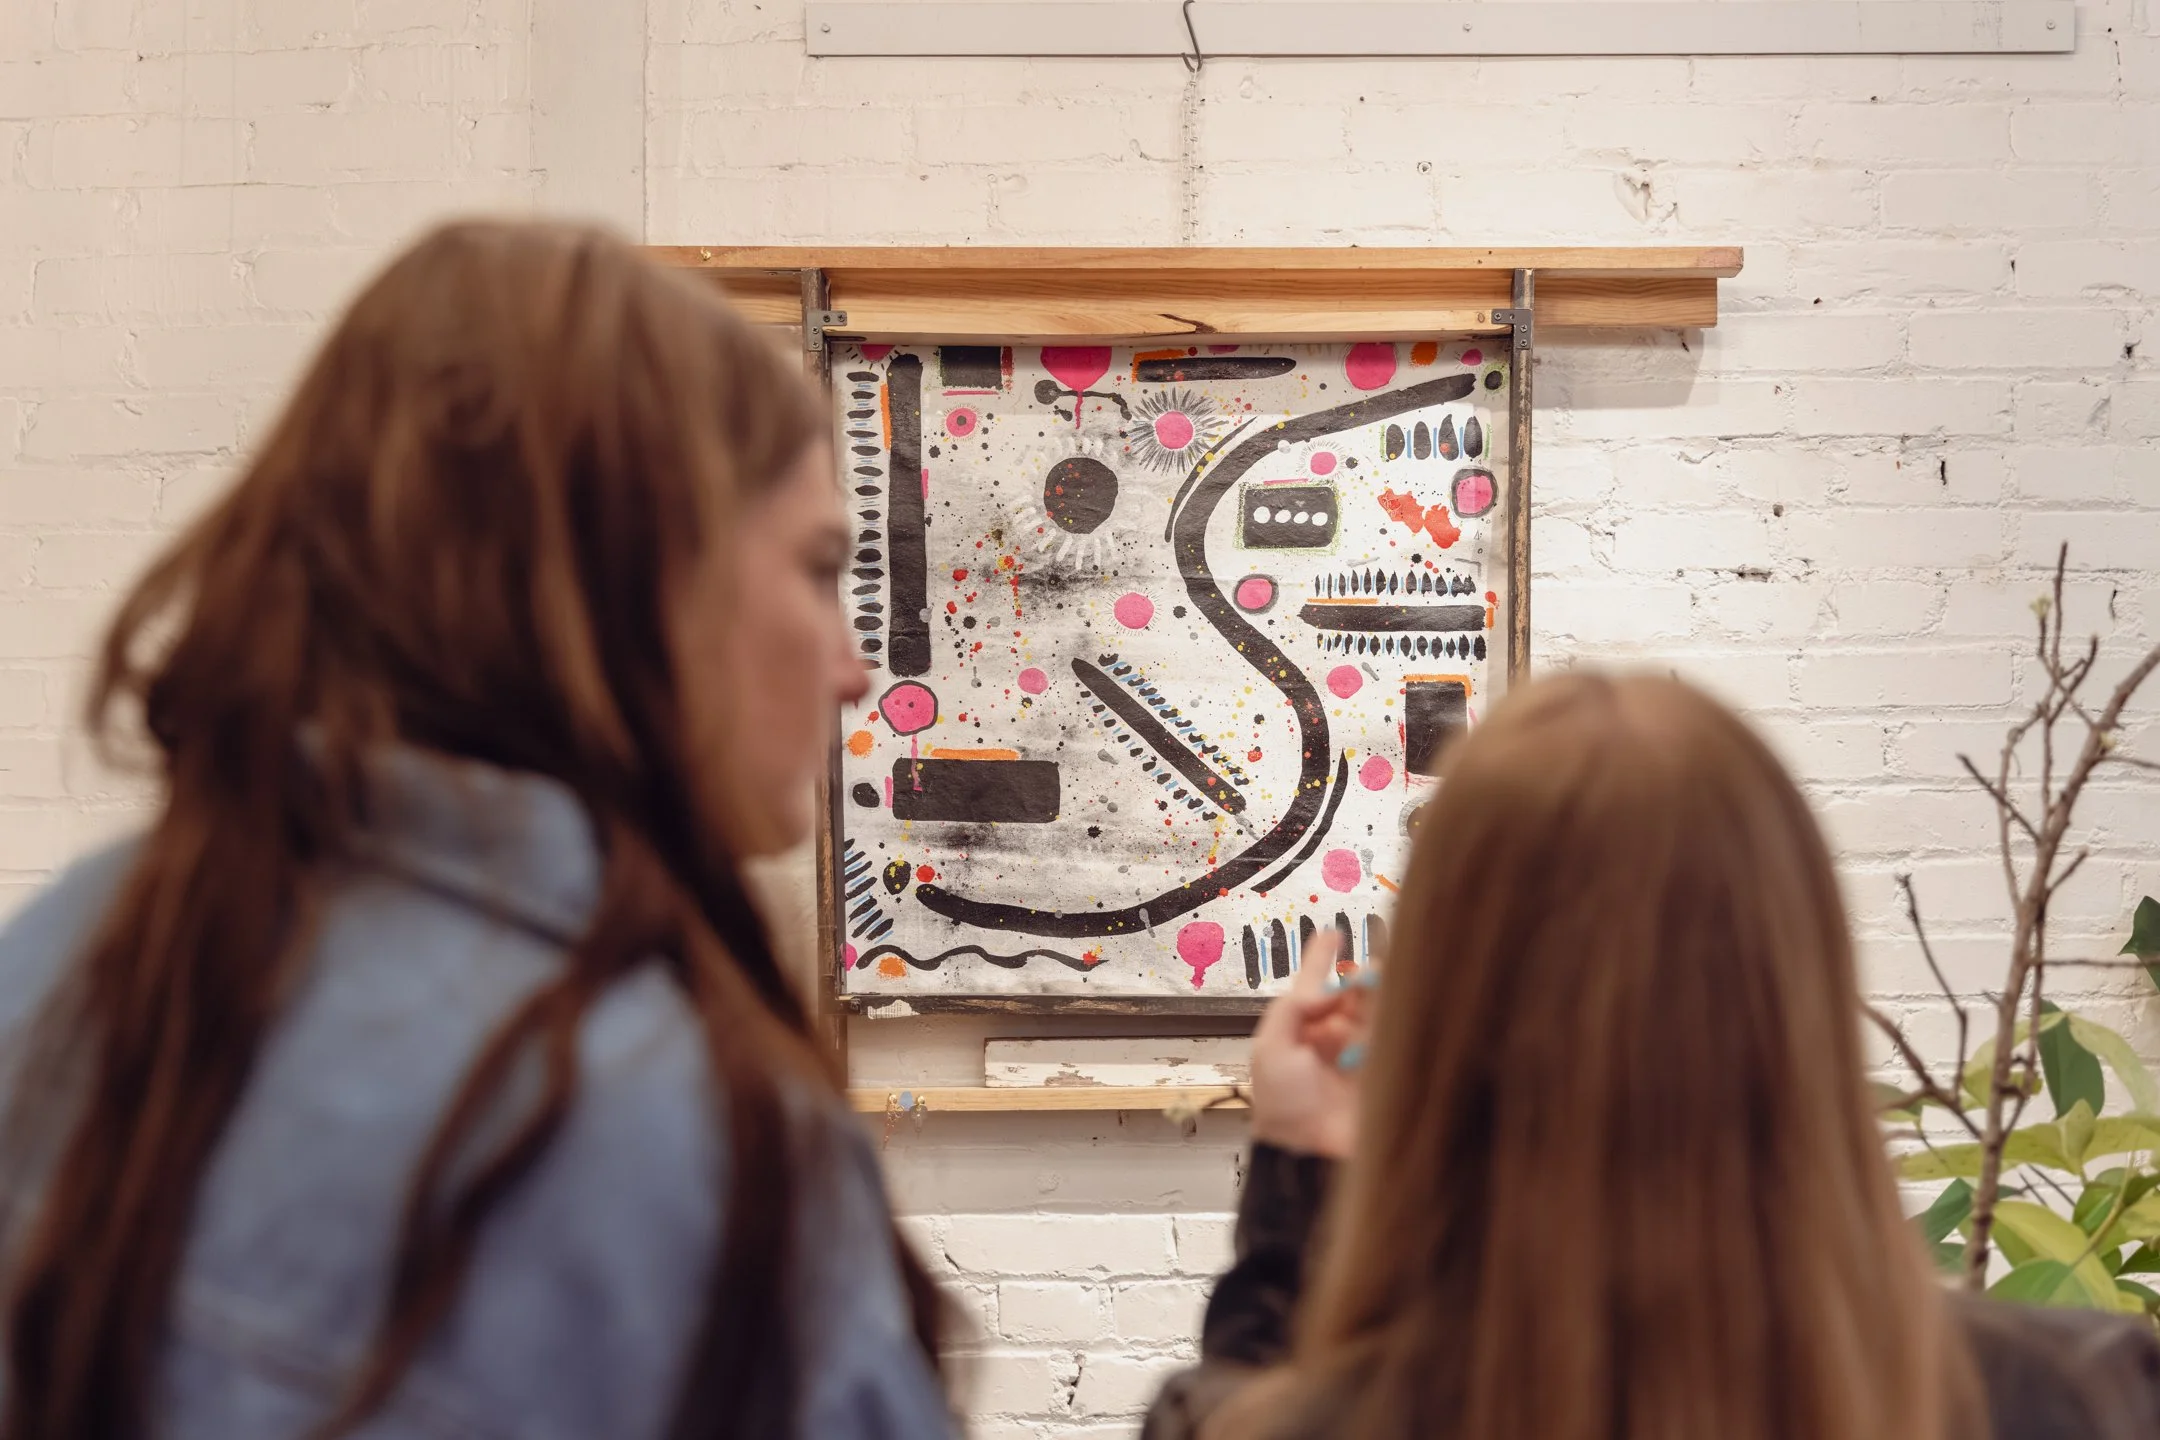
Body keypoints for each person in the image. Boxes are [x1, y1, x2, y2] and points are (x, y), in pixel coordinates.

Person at [0, 221, 953, 1439]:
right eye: (819, 570)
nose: (855, 669)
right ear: (639, 584)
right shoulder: (667, 1137)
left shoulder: (68, 955)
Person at [1147, 672, 2160, 1440]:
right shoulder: (2083, 1398)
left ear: (1443, 1015)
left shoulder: (1255, 1422)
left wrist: (1300, 1168)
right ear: (1793, 991)